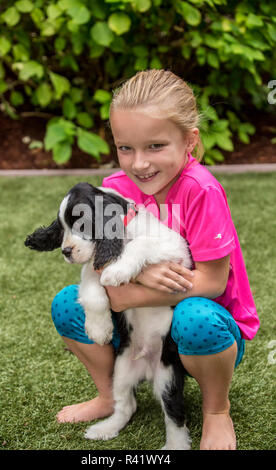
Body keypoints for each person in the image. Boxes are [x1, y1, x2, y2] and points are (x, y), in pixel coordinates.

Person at [51, 69, 259, 450]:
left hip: (207, 326)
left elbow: (212, 284)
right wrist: (143, 275)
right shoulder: (113, 190)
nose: (139, 163)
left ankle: (216, 410)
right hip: (137, 325)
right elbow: (100, 262)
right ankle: (111, 397)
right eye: (125, 148)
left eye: (156, 146)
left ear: (189, 141)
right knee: (68, 303)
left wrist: (130, 294)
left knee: (196, 317)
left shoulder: (202, 191)